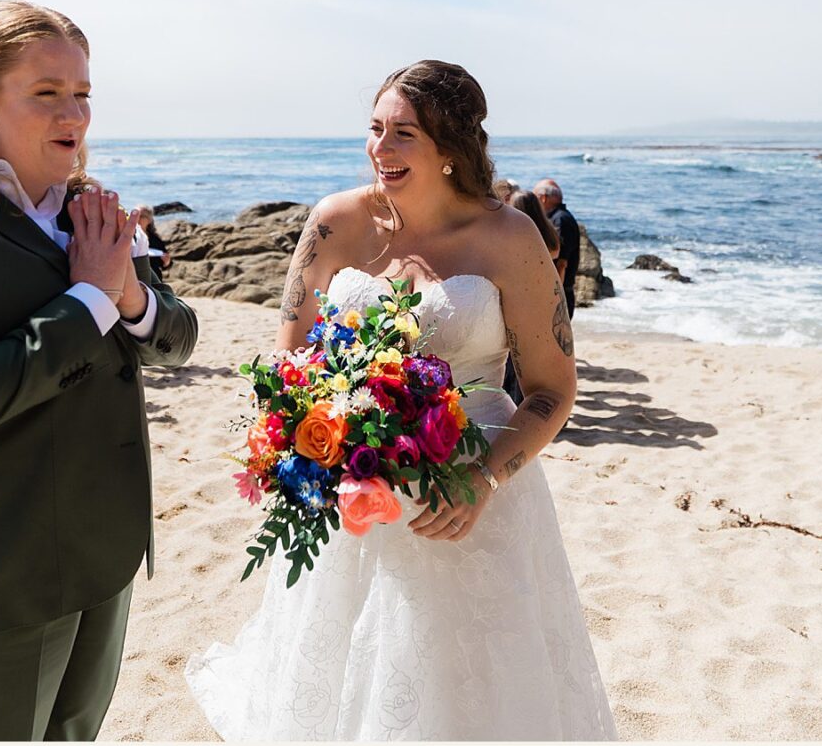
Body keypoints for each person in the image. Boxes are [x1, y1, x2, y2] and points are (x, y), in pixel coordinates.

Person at [185, 60, 615, 740]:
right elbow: (289, 363)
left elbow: (552, 391)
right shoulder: (334, 223)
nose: (379, 149)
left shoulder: (509, 239)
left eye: (403, 134)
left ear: (450, 150)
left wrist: (484, 479)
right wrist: (306, 443)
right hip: (348, 501)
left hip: (471, 499)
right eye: (375, 129)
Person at [0, 0, 199, 741]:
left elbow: (175, 339)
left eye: (81, 93)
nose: (72, 112)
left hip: (101, 557)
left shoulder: (93, 212)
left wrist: (127, 291)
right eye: (46, 92)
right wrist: (86, 297)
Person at [500, 187, 561, 403]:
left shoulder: (519, 238)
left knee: (514, 368)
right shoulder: (549, 236)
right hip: (544, 303)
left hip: (521, 304)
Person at [535, 177, 581, 317]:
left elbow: (561, 262)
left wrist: (553, 295)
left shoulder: (560, 220)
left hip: (560, 294)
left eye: (535, 197)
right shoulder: (559, 217)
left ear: (543, 198)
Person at [133, 204, 170, 280]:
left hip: (153, 279)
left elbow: (165, 265)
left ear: (149, 220)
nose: (137, 218)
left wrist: (167, 262)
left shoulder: (155, 239)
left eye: (141, 216)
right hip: (133, 278)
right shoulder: (127, 237)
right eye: (135, 214)